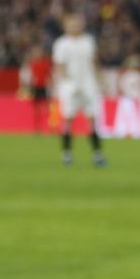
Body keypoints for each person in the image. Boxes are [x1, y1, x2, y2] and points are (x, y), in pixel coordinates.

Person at [51, 12, 106, 167]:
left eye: (77, 23)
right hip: (71, 88)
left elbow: (95, 63)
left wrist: (99, 81)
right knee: (68, 120)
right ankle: (67, 154)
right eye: (72, 24)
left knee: (92, 120)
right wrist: (66, 84)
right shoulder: (61, 44)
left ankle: (97, 155)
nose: (75, 26)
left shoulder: (88, 41)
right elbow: (60, 67)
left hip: (89, 86)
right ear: (66, 26)